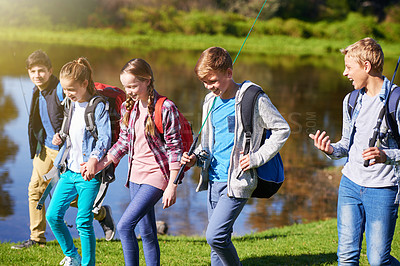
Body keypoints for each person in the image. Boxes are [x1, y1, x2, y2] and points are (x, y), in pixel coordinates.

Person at [181, 47, 290, 265]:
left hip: (238, 180)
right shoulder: (209, 101)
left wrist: (257, 157)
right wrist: (195, 159)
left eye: (213, 81)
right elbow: (208, 145)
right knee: (216, 245)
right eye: (204, 82)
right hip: (213, 180)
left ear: (229, 73)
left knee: (215, 237)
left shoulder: (253, 98)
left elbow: (282, 129)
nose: (209, 87)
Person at [81, 58, 183, 266]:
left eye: (133, 86)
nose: (129, 91)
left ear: (147, 81)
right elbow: (123, 143)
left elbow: (175, 149)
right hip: (135, 175)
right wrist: (98, 164)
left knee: (125, 225)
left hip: (157, 176)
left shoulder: (165, 108)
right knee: (146, 231)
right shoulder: (130, 108)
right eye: (126, 86)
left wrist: (172, 184)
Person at [11, 51, 115, 250]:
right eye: (33, 71)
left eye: (42, 71)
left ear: (51, 71)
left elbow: (77, 98)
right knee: (35, 190)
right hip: (45, 150)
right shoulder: (36, 90)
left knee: (72, 196)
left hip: (64, 152)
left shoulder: (61, 89)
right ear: (28, 72)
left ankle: (101, 213)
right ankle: (37, 237)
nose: (37, 75)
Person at [309, 37, 400, 265]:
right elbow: (346, 145)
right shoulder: (350, 100)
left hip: (383, 189)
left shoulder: (396, 101)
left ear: (366, 67)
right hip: (350, 184)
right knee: (346, 257)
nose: (344, 73)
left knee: (379, 260)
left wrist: (385, 156)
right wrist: (330, 149)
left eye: (349, 67)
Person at [46, 57, 111, 266]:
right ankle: (72, 255)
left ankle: (88, 264)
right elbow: (70, 133)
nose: (67, 94)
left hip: (88, 174)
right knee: (53, 216)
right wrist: (60, 136)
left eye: (71, 89)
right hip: (68, 171)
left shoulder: (98, 106)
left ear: (84, 84)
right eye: (65, 89)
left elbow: (104, 137)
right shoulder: (70, 105)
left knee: (83, 222)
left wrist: (93, 159)